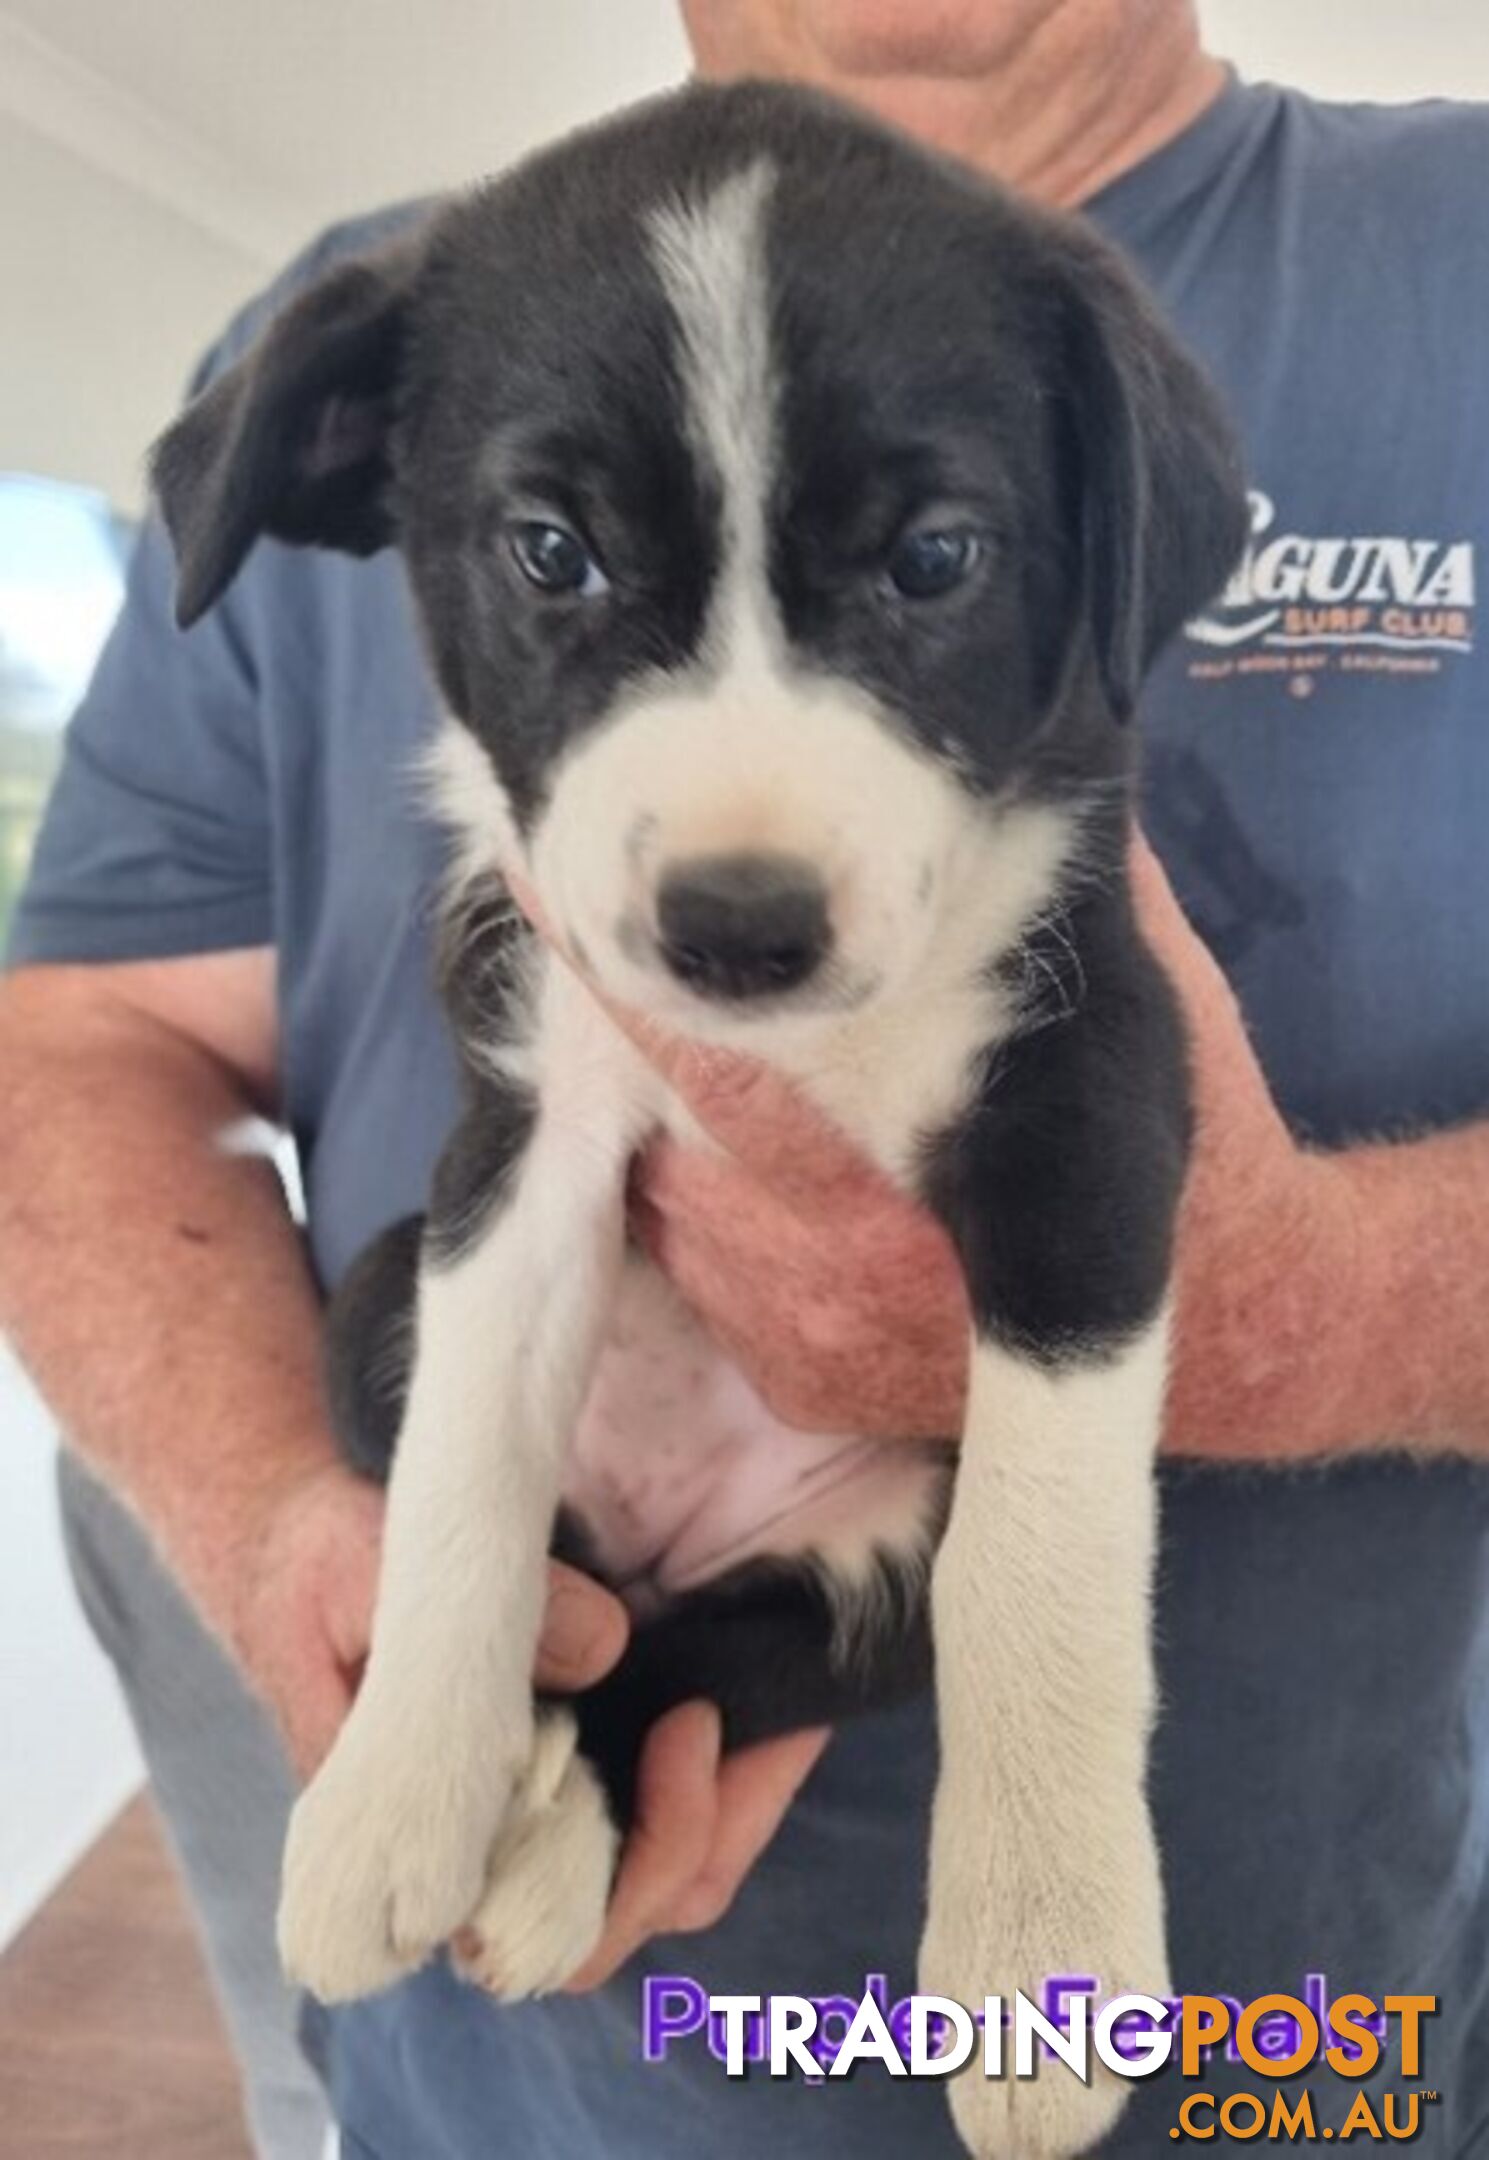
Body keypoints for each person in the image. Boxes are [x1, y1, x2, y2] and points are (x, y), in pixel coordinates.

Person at [3, 0, 1487, 2151]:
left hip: (1289, 2061)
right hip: (530, 2083)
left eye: (927, 560)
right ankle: (567, 1762)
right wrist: (315, 1558)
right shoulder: (448, 311)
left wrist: (1306, 1303)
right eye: (557, 558)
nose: (737, 819)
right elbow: (83, 1048)